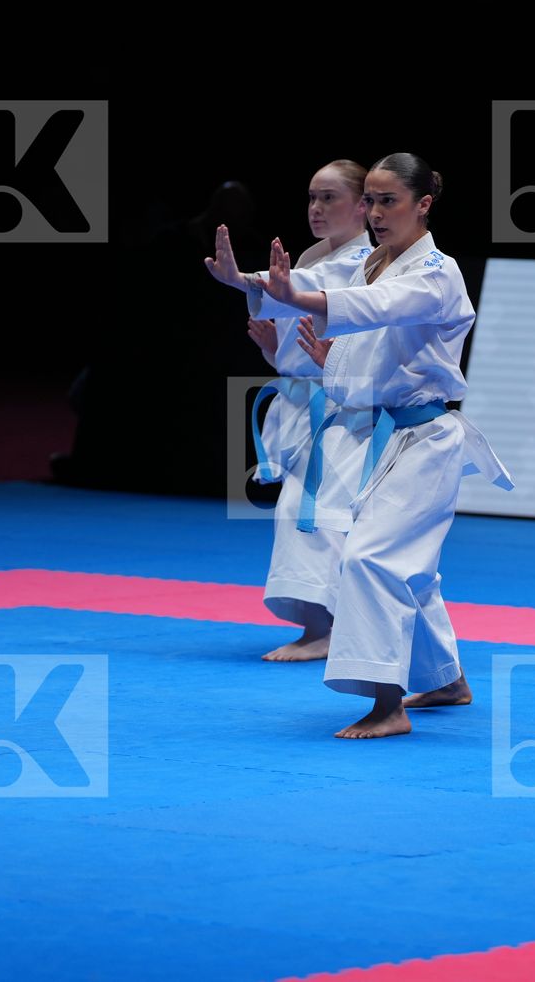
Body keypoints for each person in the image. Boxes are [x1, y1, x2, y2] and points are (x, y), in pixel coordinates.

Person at [250, 153, 513, 738]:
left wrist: (298, 297)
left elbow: (378, 311)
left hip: (425, 441)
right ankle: (445, 679)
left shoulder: (436, 272)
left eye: (387, 200)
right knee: (408, 569)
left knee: (371, 559)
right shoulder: (377, 263)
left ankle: (386, 704)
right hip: (387, 436)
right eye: (368, 200)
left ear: (424, 204)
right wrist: (332, 362)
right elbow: (374, 351)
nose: (372, 212)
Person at [205, 161, 376, 663]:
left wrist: (245, 281)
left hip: (347, 409)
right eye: (311, 198)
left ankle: (323, 628)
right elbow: (300, 337)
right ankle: (333, 625)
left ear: (362, 206)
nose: (317, 209)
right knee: (313, 514)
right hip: (305, 403)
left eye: (329, 198)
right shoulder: (316, 256)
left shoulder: (364, 263)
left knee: (312, 514)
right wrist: (274, 353)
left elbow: (307, 286)